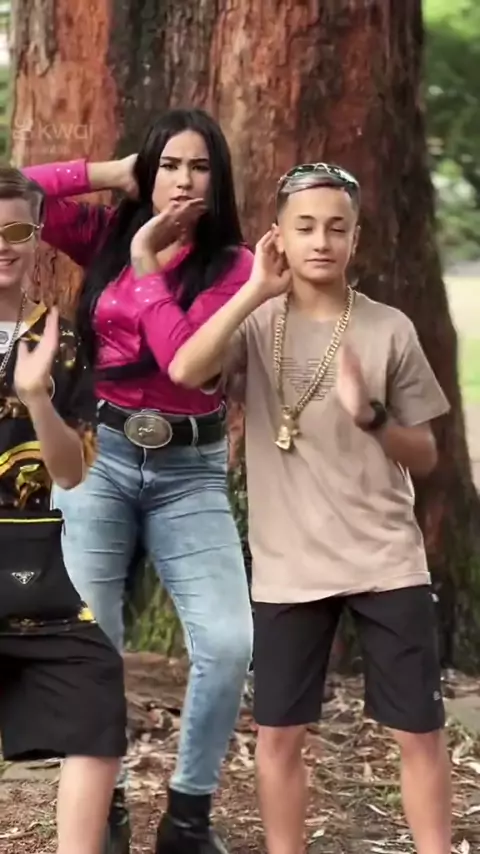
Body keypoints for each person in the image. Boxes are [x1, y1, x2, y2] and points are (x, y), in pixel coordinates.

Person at [168, 162, 452, 854]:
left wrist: (373, 418)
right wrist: (252, 290)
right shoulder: (256, 322)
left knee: (418, 731)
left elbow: (425, 454)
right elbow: (185, 369)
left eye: (336, 228)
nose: (321, 241)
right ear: (279, 237)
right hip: (287, 567)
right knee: (278, 734)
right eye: (305, 227)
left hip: (385, 558)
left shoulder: (389, 329)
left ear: (356, 238)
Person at [23, 107, 254, 854]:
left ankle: (187, 817)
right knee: (94, 642)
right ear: (147, 175)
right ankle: (107, 802)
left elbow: (186, 363)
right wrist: (106, 173)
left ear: (218, 182)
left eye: (200, 167)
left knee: (228, 641)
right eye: (168, 166)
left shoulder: (237, 269)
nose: (183, 181)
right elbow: (14, 191)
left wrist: (148, 266)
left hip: (191, 472)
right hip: (102, 455)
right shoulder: (103, 238)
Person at [0, 167, 127, 854]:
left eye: (16, 229)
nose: (3, 244)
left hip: (33, 574)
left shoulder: (64, 341)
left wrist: (37, 398)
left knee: (97, 688)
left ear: (38, 235)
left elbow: (71, 471)